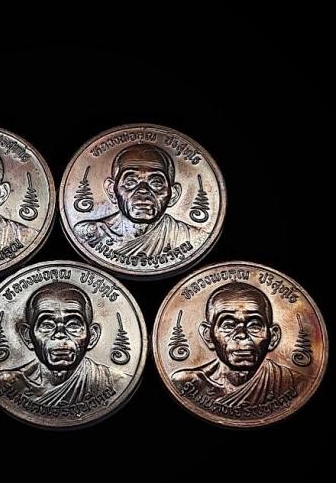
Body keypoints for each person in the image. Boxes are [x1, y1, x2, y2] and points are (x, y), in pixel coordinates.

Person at [171, 283, 308, 407]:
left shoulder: (295, 383)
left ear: (273, 337)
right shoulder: (188, 383)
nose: (242, 334)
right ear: (208, 335)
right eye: (228, 325)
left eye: (254, 325)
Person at [0, 283, 129, 406]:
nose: (60, 334)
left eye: (73, 325)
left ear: (92, 336)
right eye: (47, 325)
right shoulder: (7, 383)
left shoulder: (114, 382)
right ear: (28, 336)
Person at [75, 143, 205, 256]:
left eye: (156, 183)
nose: (143, 190)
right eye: (130, 182)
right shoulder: (93, 233)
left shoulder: (188, 237)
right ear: (112, 190)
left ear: (173, 195)